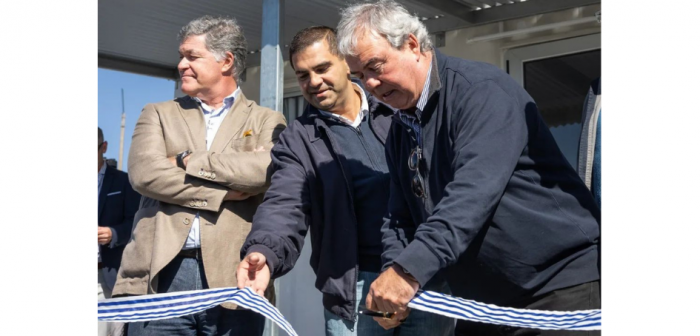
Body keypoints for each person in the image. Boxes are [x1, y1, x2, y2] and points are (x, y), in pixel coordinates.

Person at [336, 1, 601, 335]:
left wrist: (407, 273)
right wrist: (394, 273)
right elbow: (399, 218)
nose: (370, 84)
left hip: (554, 290)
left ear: (412, 45)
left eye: (375, 67)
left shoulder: (481, 93)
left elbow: (471, 196)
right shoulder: (401, 129)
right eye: (359, 76)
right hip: (481, 303)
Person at [236, 26, 454, 336]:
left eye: (322, 68)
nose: (313, 82)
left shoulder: (396, 107)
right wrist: (264, 251)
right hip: (355, 287)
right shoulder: (297, 141)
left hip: (423, 272)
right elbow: (285, 204)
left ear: (346, 63)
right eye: (302, 75)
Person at [112, 16, 287, 336]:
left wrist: (185, 160)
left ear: (226, 61)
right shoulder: (158, 113)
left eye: (192, 56)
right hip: (160, 275)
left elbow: (263, 171)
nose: (181, 64)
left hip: (235, 278)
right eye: (181, 56)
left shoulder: (266, 119)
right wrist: (220, 192)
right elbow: (145, 173)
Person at [97, 127, 140, 336]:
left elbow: (136, 222)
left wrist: (113, 233)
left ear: (103, 147)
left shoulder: (124, 182)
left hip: (107, 274)